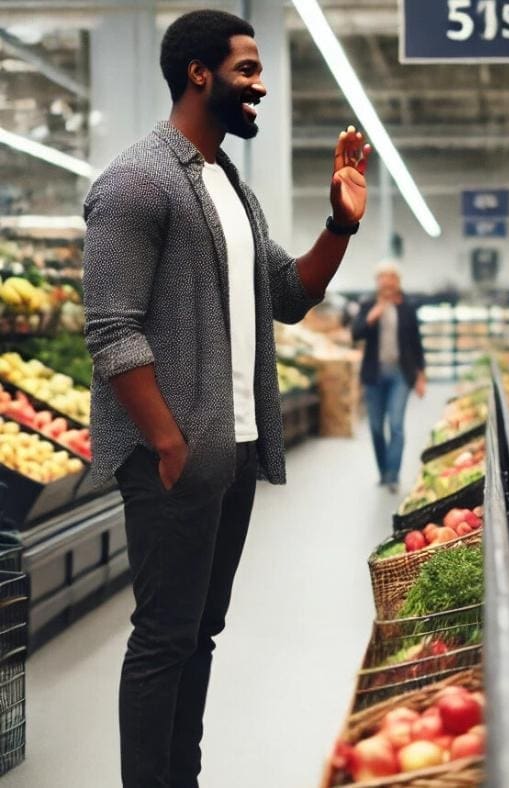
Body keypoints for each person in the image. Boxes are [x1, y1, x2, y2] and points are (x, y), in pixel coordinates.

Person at [81, 10, 370, 787]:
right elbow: (111, 331)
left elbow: (288, 293)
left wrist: (339, 224)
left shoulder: (229, 186)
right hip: (176, 452)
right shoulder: (136, 181)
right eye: (247, 70)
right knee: (163, 637)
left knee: (199, 632)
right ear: (198, 74)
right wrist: (167, 442)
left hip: (232, 448)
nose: (261, 85)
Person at [352, 260, 427, 493]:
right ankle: (383, 471)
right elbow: (356, 333)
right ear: (377, 282)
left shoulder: (407, 308)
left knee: (396, 425)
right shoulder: (367, 304)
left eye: (390, 277)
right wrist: (373, 315)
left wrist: (421, 375)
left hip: (400, 375)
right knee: (375, 426)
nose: (386, 281)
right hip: (374, 374)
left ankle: (393, 475)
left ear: (397, 281)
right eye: (382, 277)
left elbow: (416, 343)